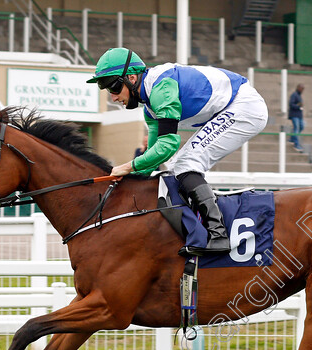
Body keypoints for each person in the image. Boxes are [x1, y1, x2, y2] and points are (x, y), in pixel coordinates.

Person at [87, 47, 268, 256]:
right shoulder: (150, 107)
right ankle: (195, 229)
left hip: (245, 107)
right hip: (231, 107)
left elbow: (168, 145)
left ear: (131, 77)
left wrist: (126, 167)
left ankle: (218, 235)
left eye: (114, 88)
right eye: (108, 91)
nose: (113, 97)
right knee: (175, 167)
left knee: (186, 163)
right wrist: (130, 178)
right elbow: (155, 157)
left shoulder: (161, 89)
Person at [288, 84, 304, 152]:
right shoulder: (294, 95)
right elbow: (291, 104)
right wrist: (298, 106)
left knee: (301, 126)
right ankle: (296, 144)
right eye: (301, 88)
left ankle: (292, 138)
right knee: (296, 128)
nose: (302, 90)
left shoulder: (299, 96)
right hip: (294, 115)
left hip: (299, 115)